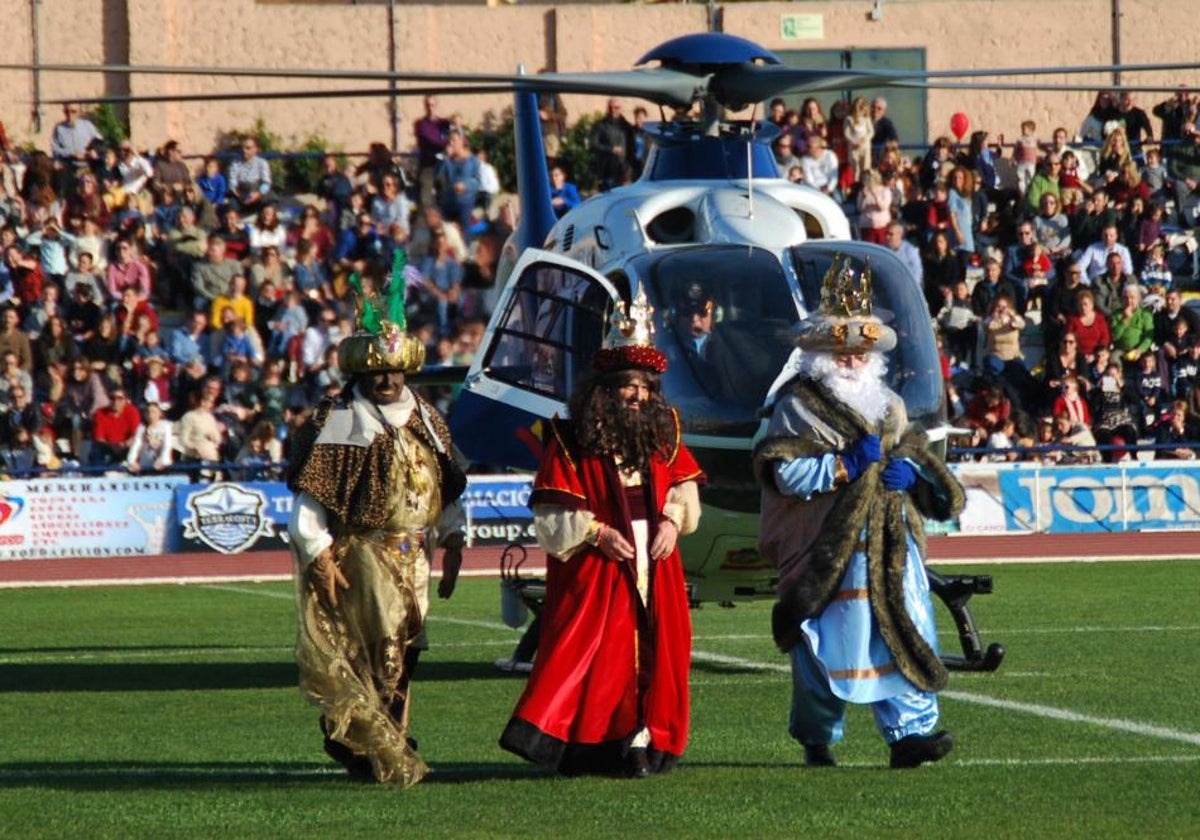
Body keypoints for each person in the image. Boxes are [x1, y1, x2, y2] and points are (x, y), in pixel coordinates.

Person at [752, 254, 964, 769]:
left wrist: (913, 477)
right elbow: (783, 476)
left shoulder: (887, 405)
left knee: (906, 631)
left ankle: (911, 735)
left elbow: (919, 459)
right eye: (841, 350)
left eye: (860, 351)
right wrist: (844, 467)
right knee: (827, 651)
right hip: (828, 549)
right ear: (822, 352)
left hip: (890, 546)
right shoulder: (796, 406)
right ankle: (817, 736)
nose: (851, 359)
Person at [500, 289, 704, 778]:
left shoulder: (664, 428)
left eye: (646, 388)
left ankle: (645, 740)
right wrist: (595, 533)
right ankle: (595, 742)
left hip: (655, 558)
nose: (638, 397)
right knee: (598, 651)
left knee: (657, 647)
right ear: (605, 389)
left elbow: (684, 491)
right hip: (600, 559)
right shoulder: (570, 436)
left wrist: (673, 522)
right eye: (628, 387)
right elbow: (551, 513)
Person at [287, 282, 467, 788]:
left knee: (406, 650)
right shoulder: (344, 418)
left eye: (394, 371)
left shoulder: (427, 418)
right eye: (377, 372)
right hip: (361, 553)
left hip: (415, 556)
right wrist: (318, 552)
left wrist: (453, 537)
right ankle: (372, 741)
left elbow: (447, 484)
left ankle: (387, 735)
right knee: (376, 650)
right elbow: (311, 498)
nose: (387, 379)